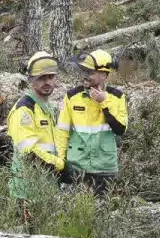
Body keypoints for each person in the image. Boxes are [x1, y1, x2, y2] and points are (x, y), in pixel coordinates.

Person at [54, 49, 129, 193]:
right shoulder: (71, 97)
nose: (85, 75)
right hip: (75, 166)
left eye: (91, 72)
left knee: (103, 212)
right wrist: (61, 162)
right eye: (84, 71)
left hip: (105, 168)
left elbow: (120, 130)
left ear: (104, 75)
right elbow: (62, 132)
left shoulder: (117, 97)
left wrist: (104, 103)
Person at [8, 52, 63, 197]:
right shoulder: (24, 109)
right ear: (32, 80)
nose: (47, 82)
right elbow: (29, 151)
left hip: (46, 186)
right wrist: (58, 165)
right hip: (26, 190)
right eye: (41, 78)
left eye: (50, 77)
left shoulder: (47, 107)